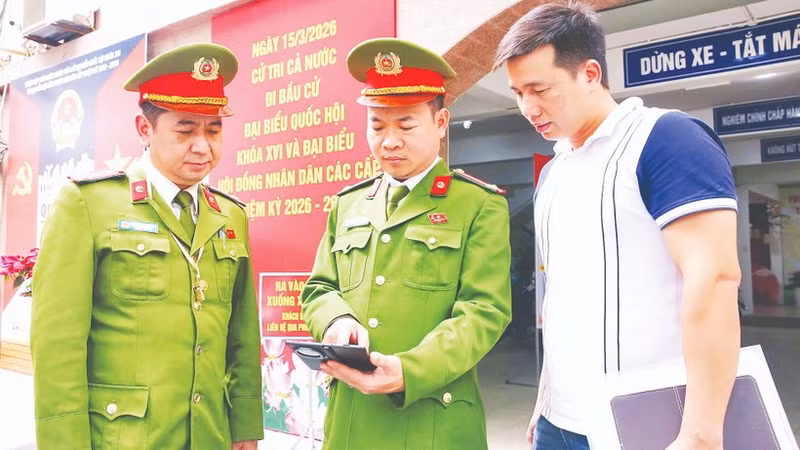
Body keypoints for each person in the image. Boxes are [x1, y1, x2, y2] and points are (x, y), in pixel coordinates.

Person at [494, 2, 741, 449]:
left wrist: (701, 433)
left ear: (590, 73)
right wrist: (544, 401)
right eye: (517, 92)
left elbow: (716, 279)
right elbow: (561, 301)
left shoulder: (664, 138)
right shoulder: (553, 173)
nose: (527, 107)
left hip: (649, 421)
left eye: (539, 88)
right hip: (557, 422)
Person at [31, 43, 263, 450]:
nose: (203, 146)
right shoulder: (88, 204)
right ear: (144, 129)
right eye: (186, 130)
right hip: (125, 438)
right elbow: (58, 348)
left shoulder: (230, 216)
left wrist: (244, 426)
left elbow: (241, 335)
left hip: (209, 434)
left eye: (213, 130)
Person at [300, 38, 512, 450]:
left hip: (434, 417)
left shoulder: (477, 204)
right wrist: (336, 321)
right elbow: (319, 288)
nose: (390, 140)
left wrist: (410, 370)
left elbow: (484, 311)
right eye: (377, 126)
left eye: (406, 125)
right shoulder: (348, 204)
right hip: (352, 420)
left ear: (441, 122)